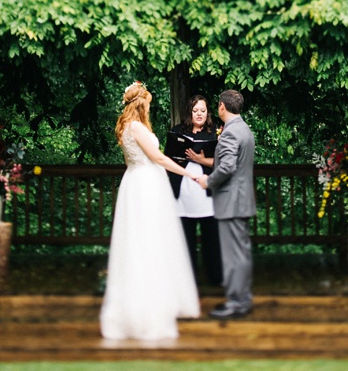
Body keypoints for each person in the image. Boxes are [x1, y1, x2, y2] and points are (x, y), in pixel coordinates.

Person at [100, 81, 201, 341]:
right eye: (148, 104)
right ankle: (147, 310)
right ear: (141, 104)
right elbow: (158, 157)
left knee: (137, 243)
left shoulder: (124, 127)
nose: (149, 108)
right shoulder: (136, 127)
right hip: (146, 185)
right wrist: (188, 173)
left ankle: (140, 303)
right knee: (148, 242)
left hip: (134, 182)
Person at [197, 89, 256, 319]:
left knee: (233, 255)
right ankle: (243, 299)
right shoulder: (243, 129)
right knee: (241, 253)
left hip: (231, 201)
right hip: (240, 200)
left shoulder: (231, 133)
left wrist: (208, 181)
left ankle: (236, 302)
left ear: (222, 106)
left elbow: (227, 167)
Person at [166, 95, 223, 286]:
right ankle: (187, 280)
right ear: (190, 112)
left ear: (208, 113)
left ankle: (215, 278)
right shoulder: (177, 131)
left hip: (206, 191)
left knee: (211, 238)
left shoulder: (215, 133)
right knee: (185, 238)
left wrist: (199, 159)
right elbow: (167, 159)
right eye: (195, 110)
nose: (199, 114)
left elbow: (224, 162)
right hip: (183, 190)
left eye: (203, 110)